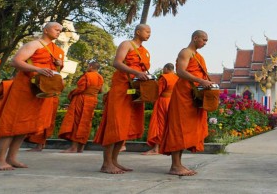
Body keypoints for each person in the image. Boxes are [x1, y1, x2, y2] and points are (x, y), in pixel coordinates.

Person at [0, 22, 65, 171]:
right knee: (12, 123)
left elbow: (52, 70)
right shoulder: (34, 44)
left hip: (41, 89)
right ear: (45, 30)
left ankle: (11, 158)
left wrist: (59, 64)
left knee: (25, 125)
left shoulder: (57, 50)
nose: (59, 31)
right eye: (56, 29)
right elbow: (16, 61)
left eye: (60, 30)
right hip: (24, 88)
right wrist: (38, 69)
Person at [93, 24, 151, 174]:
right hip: (121, 89)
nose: (149, 34)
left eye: (150, 32)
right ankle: (106, 163)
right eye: (147, 31)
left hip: (135, 91)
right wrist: (135, 72)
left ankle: (114, 161)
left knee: (125, 127)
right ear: (138, 32)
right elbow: (116, 63)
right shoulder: (127, 44)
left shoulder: (145, 52)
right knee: (115, 124)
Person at [159, 30, 216, 176]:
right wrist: (201, 81)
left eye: (207, 40)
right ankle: (175, 166)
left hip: (194, 95)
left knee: (189, 128)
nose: (205, 43)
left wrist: (205, 83)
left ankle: (178, 164)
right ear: (195, 38)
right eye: (204, 40)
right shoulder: (186, 52)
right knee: (179, 128)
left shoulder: (198, 57)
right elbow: (180, 71)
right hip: (183, 94)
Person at [59, 60, 104, 153]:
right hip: (92, 100)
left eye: (88, 66)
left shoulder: (87, 75)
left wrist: (71, 94)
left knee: (77, 121)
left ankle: (73, 147)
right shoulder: (100, 77)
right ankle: (80, 148)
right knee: (86, 123)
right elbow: (101, 91)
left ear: (91, 67)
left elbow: (81, 88)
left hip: (82, 99)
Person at [143, 62, 178, 155]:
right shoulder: (177, 78)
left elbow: (157, 91)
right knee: (168, 125)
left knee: (159, 124)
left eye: (163, 69)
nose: (163, 71)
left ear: (166, 69)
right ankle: (166, 147)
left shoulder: (164, 77)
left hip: (163, 102)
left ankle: (156, 148)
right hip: (173, 103)